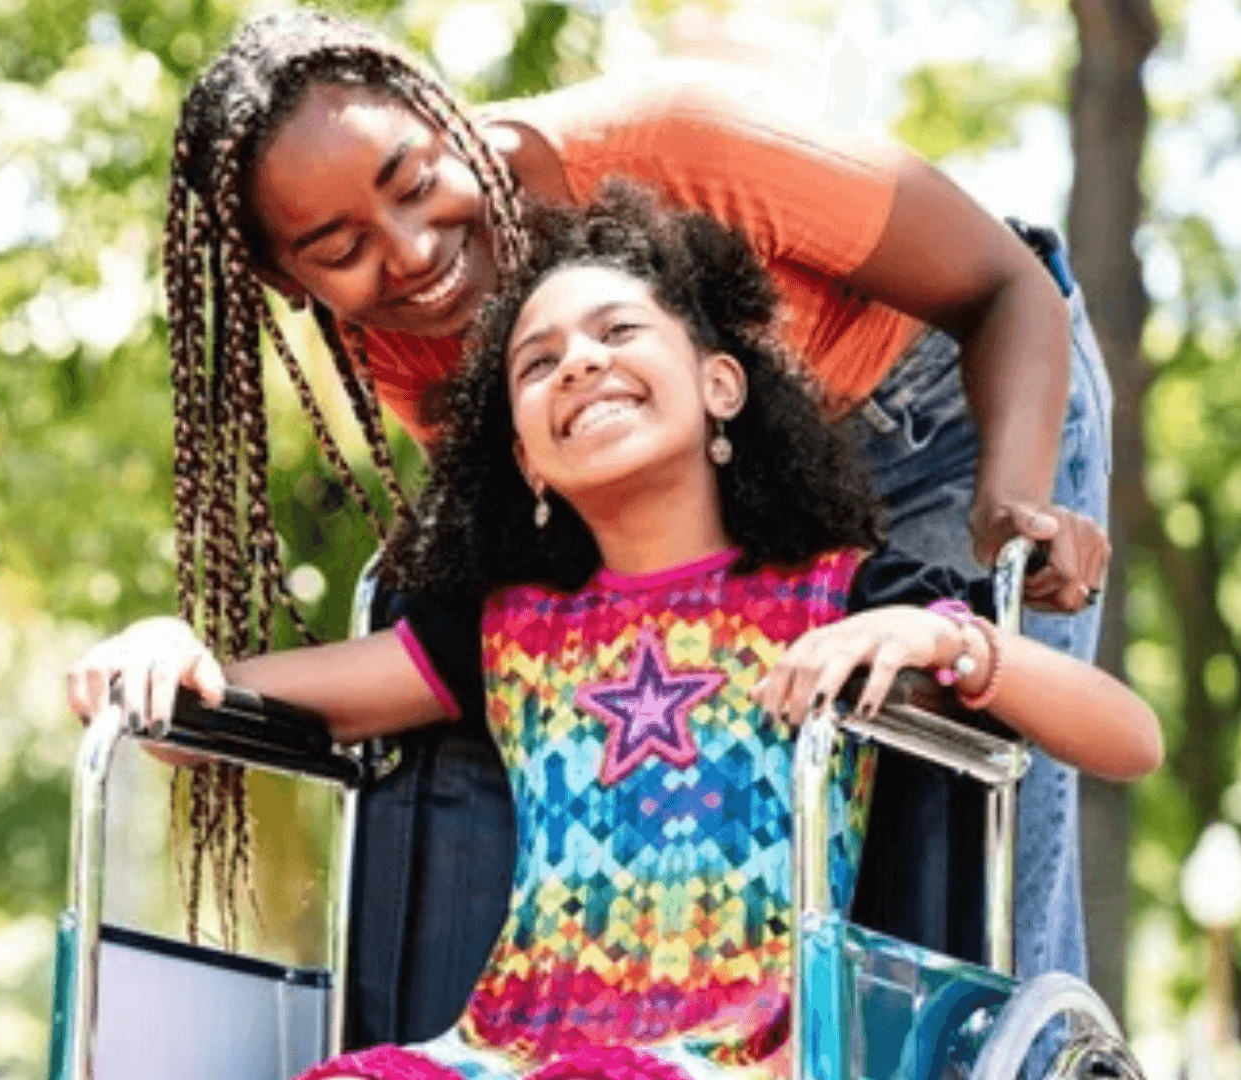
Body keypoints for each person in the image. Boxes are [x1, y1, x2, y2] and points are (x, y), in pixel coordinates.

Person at [78, 191, 1159, 1080]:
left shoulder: (848, 596)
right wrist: (166, 656)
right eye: (537, 364)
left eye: (618, 332)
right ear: (527, 459)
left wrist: (950, 644)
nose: (580, 366)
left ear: (719, 383)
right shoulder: (508, 634)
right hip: (505, 1049)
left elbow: (1129, 741)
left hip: (737, 1053)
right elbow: (222, 713)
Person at [159, 7, 1113, 995]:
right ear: (284, 275)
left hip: (944, 410)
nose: (407, 252)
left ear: (441, 114)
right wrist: (207, 679)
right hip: (726, 489)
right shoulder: (399, 334)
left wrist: (1012, 505)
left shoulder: (675, 137)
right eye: (338, 246)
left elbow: (1007, 287)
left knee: (961, 838)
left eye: (411, 181)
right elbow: (546, 579)